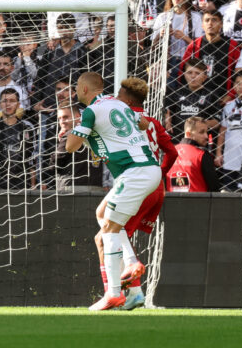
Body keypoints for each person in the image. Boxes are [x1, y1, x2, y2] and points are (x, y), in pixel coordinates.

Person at [65, 71, 159, 311]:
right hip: (148, 170)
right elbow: (143, 123)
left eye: (76, 87)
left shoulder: (91, 112)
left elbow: (70, 147)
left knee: (108, 230)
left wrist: (80, 131)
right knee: (102, 214)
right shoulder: (119, 104)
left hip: (134, 173)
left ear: (84, 89)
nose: (75, 91)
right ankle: (132, 281)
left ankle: (114, 293)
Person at [95, 77, 175, 310]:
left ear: (128, 100)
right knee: (111, 228)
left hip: (137, 181)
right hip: (154, 184)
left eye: (119, 95)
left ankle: (121, 293)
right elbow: (172, 152)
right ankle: (133, 292)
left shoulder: (120, 119)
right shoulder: (153, 122)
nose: (115, 98)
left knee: (107, 236)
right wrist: (160, 174)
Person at [165, 116, 222, 193]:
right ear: (188, 134)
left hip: (171, 199)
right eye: (201, 132)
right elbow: (214, 188)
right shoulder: (202, 155)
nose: (206, 136)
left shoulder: (169, 153)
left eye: (206, 132)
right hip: (198, 200)